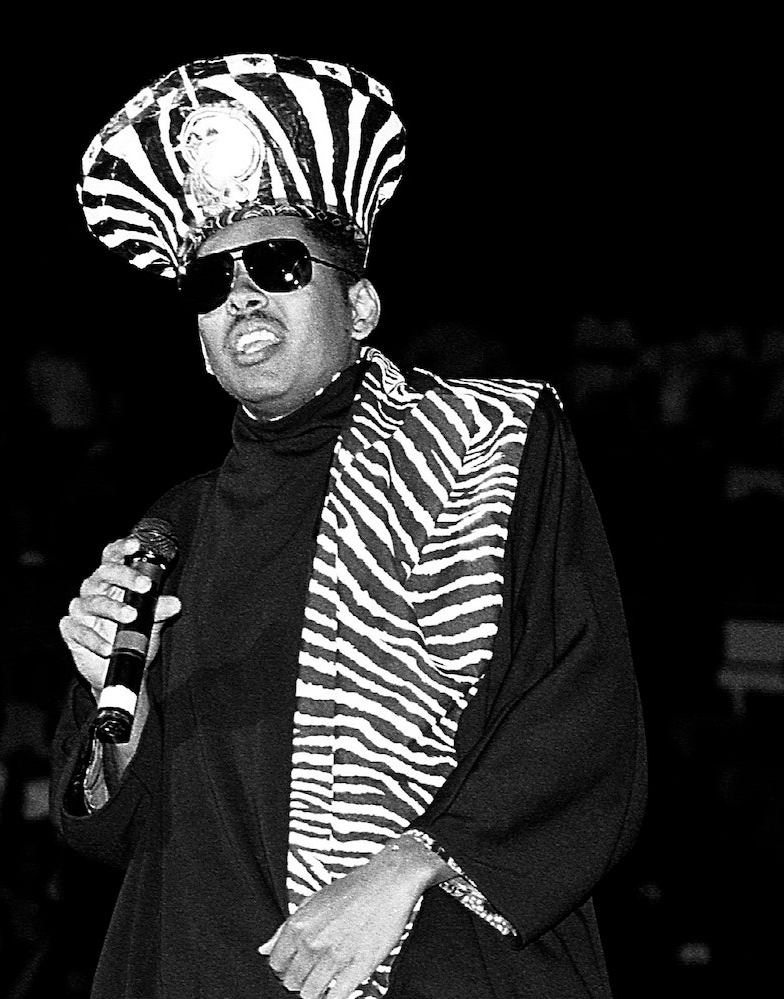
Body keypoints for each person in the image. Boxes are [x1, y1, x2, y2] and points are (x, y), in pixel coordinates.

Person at [49, 53, 646, 999]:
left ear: (360, 304)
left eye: (278, 265)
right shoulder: (174, 529)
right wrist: (113, 699)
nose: (242, 295)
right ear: (201, 347)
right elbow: (118, 830)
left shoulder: (491, 450)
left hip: (435, 957)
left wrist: (411, 863)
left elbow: (583, 704)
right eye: (209, 283)